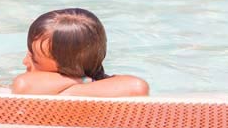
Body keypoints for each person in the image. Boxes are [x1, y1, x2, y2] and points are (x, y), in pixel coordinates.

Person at [10, 8, 149, 98]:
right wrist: (83, 81)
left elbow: (137, 87)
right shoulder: (95, 85)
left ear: (69, 69)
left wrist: (67, 89)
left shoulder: (105, 84)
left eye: (34, 58)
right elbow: (23, 86)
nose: (25, 61)